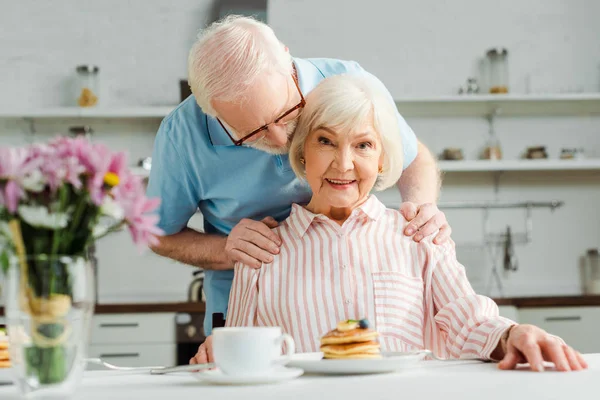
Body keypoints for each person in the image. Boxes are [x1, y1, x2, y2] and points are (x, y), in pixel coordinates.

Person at [190, 75, 587, 372]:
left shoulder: (419, 236)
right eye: (325, 141)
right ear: (302, 153)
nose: (343, 164)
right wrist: (216, 353)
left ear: (382, 159)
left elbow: (470, 320)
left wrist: (510, 334)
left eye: (363, 145)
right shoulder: (261, 249)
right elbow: (237, 358)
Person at [147, 15, 448, 337]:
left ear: (288, 64)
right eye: (251, 134)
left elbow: (412, 157)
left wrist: (420, 209)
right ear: (212, 113)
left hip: (352, 284)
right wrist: (225, 250)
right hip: (247, 299)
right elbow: (158, 234)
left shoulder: (349, 83)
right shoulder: (182, 136)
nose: (280, 141)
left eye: (286, 114)